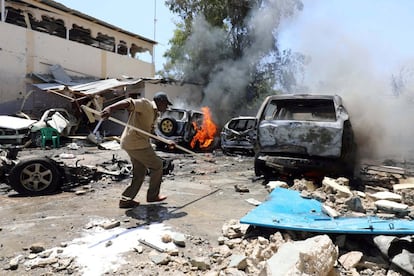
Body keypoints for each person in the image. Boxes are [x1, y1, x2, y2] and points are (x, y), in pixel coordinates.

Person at [100, 91, 174, 208]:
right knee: (158, 165)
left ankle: (126, 200)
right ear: (160, 102)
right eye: (166, 104)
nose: (167, 107)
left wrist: (166, 141)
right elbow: (129, 102)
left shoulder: (155, 114)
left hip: (133, 143)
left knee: (140, 172)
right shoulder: (146, 104)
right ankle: (153, 196)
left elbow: (151, 133)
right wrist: (110, 108)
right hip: (137, 143)